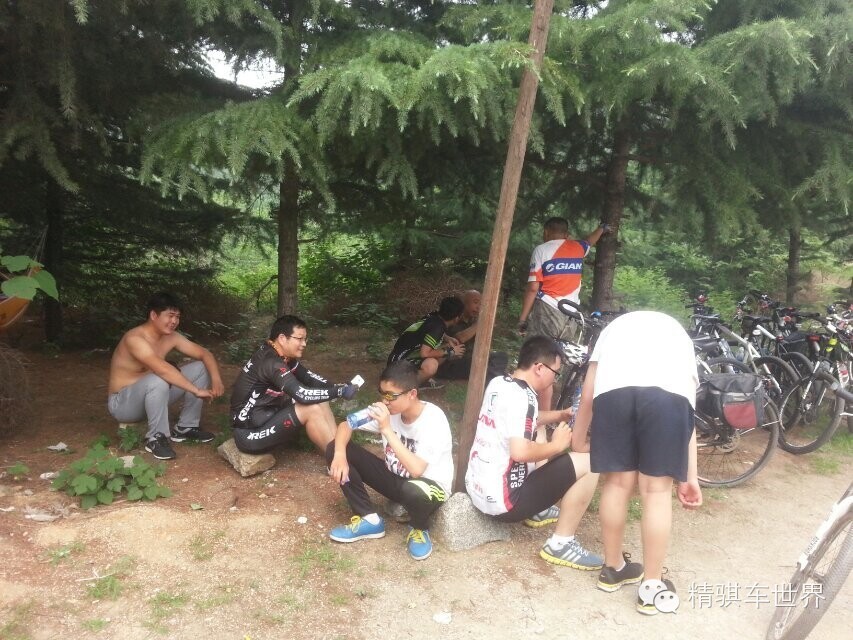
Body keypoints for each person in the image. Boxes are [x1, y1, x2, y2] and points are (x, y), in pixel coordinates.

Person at [571, 310, 702, 615]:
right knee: (656, 491)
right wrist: (690, 476)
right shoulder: (679, 335)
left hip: (613, 395)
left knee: (617, 483)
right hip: (668, 399)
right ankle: (652, 586)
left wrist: (577, 438)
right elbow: (688, 412)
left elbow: (588, 392)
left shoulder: (612, 330)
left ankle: (613, 568)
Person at [465, 335, 602, 570]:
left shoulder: (500, 383)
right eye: (555, 373)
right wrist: (557, 445)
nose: (555, 379)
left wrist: (560, 415)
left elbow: (525, 420)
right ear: (539, 368)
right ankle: (561, 544)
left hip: (479, 492)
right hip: (506, 504)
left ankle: (538, 512)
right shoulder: (525, 398)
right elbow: (520, 453)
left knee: (537, 431)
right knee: (591, 462)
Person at [326, 361, 452, 561]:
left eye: (391, 396)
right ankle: (369, 519)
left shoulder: (433, 419)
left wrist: (386, 429)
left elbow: (416, 470)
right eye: (382, 393)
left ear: (412, 394)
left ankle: (419, 528)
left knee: (412, 489)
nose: (385, 401)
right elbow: (346, 425)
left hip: (428, 488)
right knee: (334, 447)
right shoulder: (388, 411)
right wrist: (340, 454)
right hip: (396, 480)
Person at [108, 292, 224, 460]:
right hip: (123, 405)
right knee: (159, 377)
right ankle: (156, 438)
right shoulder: (134, 338)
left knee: (200, 368)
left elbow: (204, 353)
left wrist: (216, 380)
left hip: (153, 394)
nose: (174, 321)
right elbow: (162, 369)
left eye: (177, 317)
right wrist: (196, 390)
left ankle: (186, 427)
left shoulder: (171, 337)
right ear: (154, 315)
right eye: (170, 315)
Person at [229, 315, 359, 454]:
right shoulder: (271, 363)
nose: (304, 344)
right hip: (248, 434)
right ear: (282, 338)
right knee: (312, 409)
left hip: (266, 415)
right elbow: (302, 394)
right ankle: (337, 457)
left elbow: (309, 378)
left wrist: (336, 386)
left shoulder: (282, 356)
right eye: (300, 339)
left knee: (320, 399)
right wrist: (339, 392)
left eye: (305, 339)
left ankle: (339, 447)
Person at [518, 217, 610, 341]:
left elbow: (533, 288)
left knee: (537, 348)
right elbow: (589, 241)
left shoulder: (541, 250)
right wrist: (602, 229)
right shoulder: (578, 247)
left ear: (546, 232)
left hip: (547, 310)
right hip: (572, 314)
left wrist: (522, 319)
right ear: (566, 234)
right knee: (561, 350)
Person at [387, 296, 466, 388]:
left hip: (395, 360)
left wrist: (447, 338)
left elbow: (428, 330)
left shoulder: (433, 317)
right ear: (457, 318)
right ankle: (407, 386)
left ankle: (422, 378)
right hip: (399, 366)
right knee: (433, 364)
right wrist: (452, 352)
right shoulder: (438, 328)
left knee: (447, 348)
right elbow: (424, 353)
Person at [435, 289, 508, 382]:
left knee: (501, 356)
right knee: (479, 365)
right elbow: (460, 338)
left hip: (470, 359)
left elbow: (483, 347)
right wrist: (481, 322)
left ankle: (493, 375)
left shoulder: (472, 322)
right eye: (475, 302)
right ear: (464, 304)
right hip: (450, 362)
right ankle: (493, 377)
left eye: (481, 304)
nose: (478, 307)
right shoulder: (453, 318)